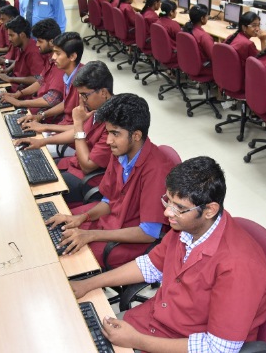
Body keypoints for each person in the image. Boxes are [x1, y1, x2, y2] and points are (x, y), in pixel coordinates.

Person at [69, 156, 266, 352]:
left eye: (179, 208)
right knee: (77, 333)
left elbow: (217, 348)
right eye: (168, 201)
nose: (167, 212)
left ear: (210, 210)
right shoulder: (188, 227)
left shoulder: (239, 266)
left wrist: (137, 340)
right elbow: (150, 266)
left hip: (184, 344)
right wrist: (88, 284)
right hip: (153, 322)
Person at [44, 93, 174, 269]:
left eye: (115, 134)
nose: (109, 140)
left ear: (136, 135)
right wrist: (82, 218)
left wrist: (91, 235)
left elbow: (148, 233)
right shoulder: (121, 152)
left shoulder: (156, 170)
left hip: (130, 240)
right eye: (108, 132)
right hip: (110, 222)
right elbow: (108, 201)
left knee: (63, 261)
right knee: (54, 229)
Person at [16, 62, 114, 203]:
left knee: (32, 189)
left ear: (103, 93)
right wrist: (42, 141)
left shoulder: (114, 122)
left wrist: (78, 123)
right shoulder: (98, 108)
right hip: (74, 163)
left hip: (88, 178)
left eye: (85, 95)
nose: (82, 100)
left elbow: (87, 166)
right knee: (29, 165)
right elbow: (77, 132)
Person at [18, 32, 84, 132]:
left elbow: (82, 127)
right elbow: (66, 103)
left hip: (73, 132)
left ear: (72, 56)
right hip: (64, 125)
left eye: (58, 53)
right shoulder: (67, 75)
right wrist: (41, 116)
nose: (53, 57)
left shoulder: (83, 82)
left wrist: (45, 128)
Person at [0, 18, 63, 116]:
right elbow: (40, 81)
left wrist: (20, 103)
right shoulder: (50, 58)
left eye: (40, 41)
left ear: (51, 42)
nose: (37, 44)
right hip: (35, 104)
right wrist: (17, 94)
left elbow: (51, 100)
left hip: (43, 112)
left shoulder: (60, 64)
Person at [0, 16, 43, 90]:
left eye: (12, 35)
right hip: (15, 85)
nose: (9, 39)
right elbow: (17, 61)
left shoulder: (33, 52)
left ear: (22, 35)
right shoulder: (21, 46)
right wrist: (7, 70)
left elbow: (37, 79)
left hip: (23, 91)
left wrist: (10, 79)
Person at [155, 1, 181, 65]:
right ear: (171, 12)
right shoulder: (173, 25)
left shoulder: (157, 21)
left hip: (160, 51)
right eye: (175, 10)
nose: (176, 12)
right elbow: (181, 41)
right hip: (172, 55)